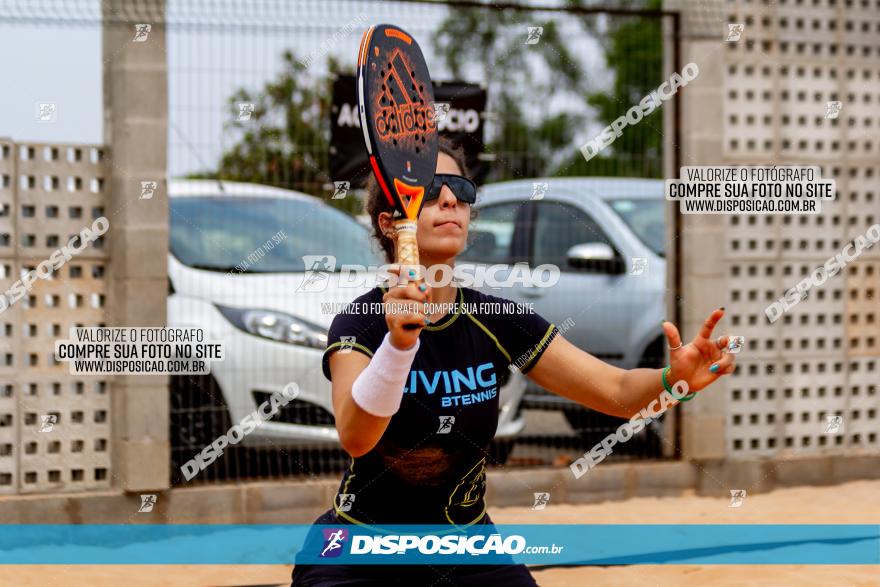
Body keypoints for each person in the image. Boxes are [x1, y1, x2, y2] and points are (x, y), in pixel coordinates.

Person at [291, 139, 737, 585]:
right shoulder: (361, 322)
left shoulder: (496, 319)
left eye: (461, 190)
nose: (450, 199)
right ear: (389, 224)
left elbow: (618, 394)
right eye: (428, 188)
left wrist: (673, 380)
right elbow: (355, 436)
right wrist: (400, 345)